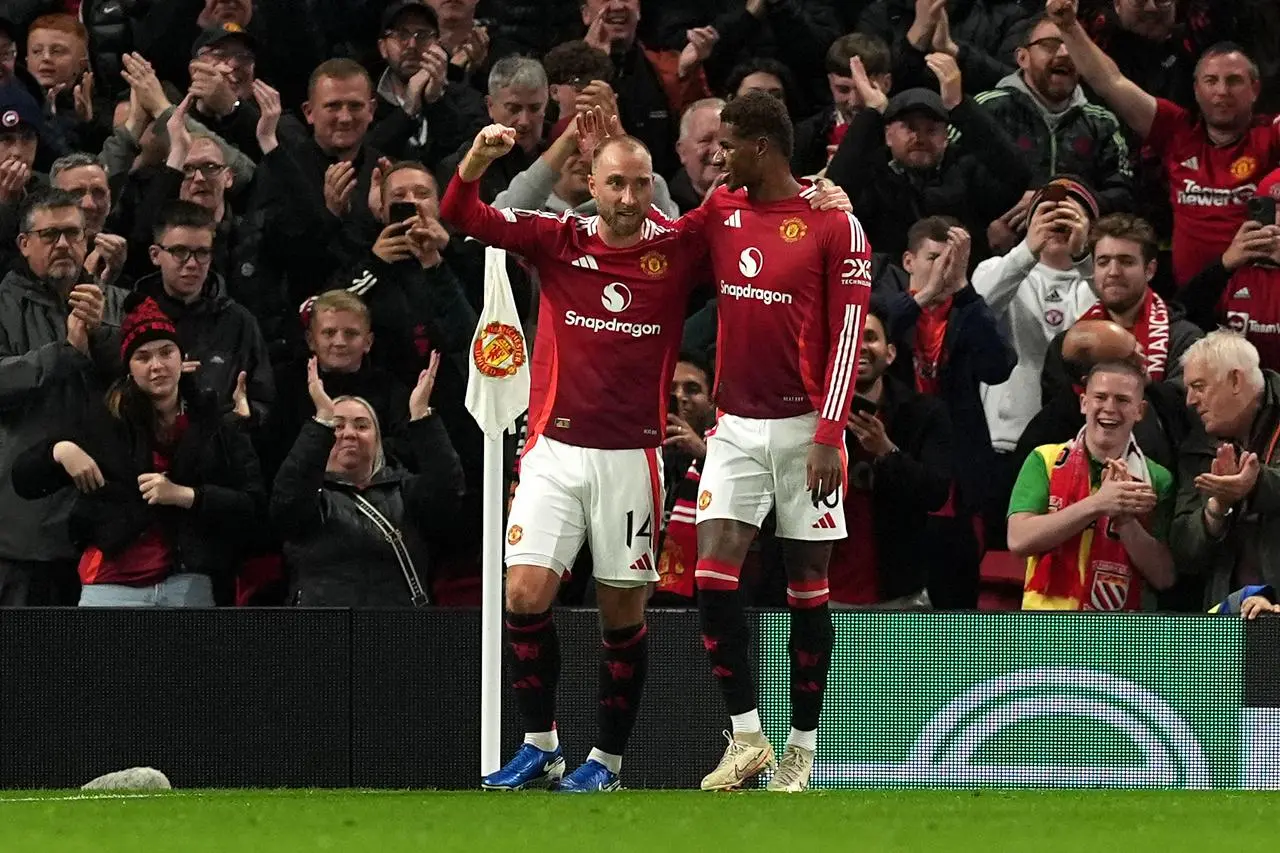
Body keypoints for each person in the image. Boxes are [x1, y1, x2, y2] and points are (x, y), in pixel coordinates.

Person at [440, 114, 706, 793]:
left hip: (632, 457)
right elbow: (462, 214)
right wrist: (477, 156)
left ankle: (608, 763)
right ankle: (541, 743)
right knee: (524, 595)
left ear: (654, 187)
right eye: (614, 183)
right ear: (590, 183)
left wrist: (824, 198)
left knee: (623, 614)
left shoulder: (678, 246)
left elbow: (748, 228)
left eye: (640, 184)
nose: (626, 197)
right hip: (553, 448)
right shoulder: (558, 239)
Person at [685, 91, 871, 792]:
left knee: (807, 590)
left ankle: (803, 747)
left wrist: (829, 432)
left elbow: (850, 334)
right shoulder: (720, 211)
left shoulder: (834, 225)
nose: (716, 155)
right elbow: (667, 240)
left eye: (726, 144)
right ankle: (748, 737)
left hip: (806, 430)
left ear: (760, 147)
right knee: (711, 578)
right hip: (734, 424)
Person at [10, 295, 265, 607]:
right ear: (129, 368)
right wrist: (59, 450)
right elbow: (24, 479)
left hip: (189, 581)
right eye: (143, 357)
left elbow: (251, 505)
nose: (156, 365)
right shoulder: (105, 421)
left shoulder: (214, 420)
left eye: (165, 352)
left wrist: (187, 496)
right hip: (112, 582)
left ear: (180, 358)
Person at [1048, 0, 1280, 286]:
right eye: (1211, 81)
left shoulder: (1271, 134)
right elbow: (1110, 81)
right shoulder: (1176, 129)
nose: (1222, 91)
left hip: (1259, 297)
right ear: (1196, 89)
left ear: (1255, 88)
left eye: (1234, 80)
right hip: (1192, 300)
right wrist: (1068, 27)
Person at [0, 189, 128, 605]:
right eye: (50, 234)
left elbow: (137, 378)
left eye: (73, 234)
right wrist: (65, 354)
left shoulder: (114, 302)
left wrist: (103, 337)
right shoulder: (3, 303)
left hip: (105, 519)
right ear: (24, 243)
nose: (63, 245)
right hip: (24, 524)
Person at [882, 217, 1017, 609]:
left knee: (954, 600)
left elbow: (1000, 365)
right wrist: (922, 299)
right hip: (898, 463)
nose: (941, 268)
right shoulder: (887, 306)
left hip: (955, 474)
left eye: (951, 261)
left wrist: (962, 289)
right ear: (908, 261)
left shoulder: (968, 314)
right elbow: (867, 328)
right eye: (933, 258)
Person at [271, 353, 465, 607]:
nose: (349, 434)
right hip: (319, 631)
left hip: (397, 630)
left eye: (362, 426)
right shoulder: (310, 496)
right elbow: (286, 505)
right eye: (337, 426)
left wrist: (421, 417)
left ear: (378, 440)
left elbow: (448, 492)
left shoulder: (404, 490)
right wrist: (321, 420)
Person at [974, 178, 1099, 538]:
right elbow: (979, 308)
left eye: (1072, 215)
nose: (1057, 222)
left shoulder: (1098, 278)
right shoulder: (997, 268)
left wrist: (1085, 260)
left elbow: (1112, 316)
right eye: (1046, 213)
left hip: (1080, 444)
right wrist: (1027, 250)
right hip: (1005, 443)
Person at [826, 52, 1030, 260]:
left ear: (946, 137)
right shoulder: (872, 176)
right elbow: (835, 188)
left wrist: (960, 107)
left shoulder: (967, 173)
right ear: (888, 135)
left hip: (961, 285)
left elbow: (1018, 175)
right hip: (888, 286)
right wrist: (873, 112)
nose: (919, 137)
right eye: (910, 127)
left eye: (931, 129)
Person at [1007, 360, 1176, 610]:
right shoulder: (1045, 459)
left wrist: (1127, 522)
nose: (1109, 408)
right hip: (1045, 629)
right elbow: (1019, 540)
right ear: (1084, 402)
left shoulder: (1156, 477)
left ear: (1140, 411)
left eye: (1122, 400)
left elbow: (1164, 577)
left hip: (1119, 635)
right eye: (1100, 397)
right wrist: (1097, 504)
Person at [1037, 213, 1202, 468]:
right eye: (1103, 262)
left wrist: (1142, 383)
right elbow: (1054, 423)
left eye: (1126, 261)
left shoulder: (1185, 339)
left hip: (1162, 475)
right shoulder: (1068, 344)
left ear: (1150, 269)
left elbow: (1188, 414)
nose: (1113, 272)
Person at [829, 303, 952, 608]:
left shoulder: (924, 413)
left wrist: (887, 451)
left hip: (900, 594)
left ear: (891, 353)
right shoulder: (811, 416)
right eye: (850, 339)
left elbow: (936, 492)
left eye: (870, 337)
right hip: (823, 595)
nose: (860, 347)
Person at [976, 12, 1132, 242]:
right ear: (1022, 58)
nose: (1064, 53)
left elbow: (1123, 195)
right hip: (999, 254)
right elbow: (955, 186)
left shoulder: (1102, 122)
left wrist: (1066, 200)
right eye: (1049, 45)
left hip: (1078, 255)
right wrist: (982, 234)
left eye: (1071, 44)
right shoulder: (988, 109)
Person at [1172, 332, 1280, 609]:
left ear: (1235, 380)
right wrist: (1216, 508)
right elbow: (1184, 552)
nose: (1190, 401)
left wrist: (1255, 485)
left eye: (1199, 386)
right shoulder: (1197, 446)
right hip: (1228, 615)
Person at [1178, 171, 1280, 369]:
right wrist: (1223, 265)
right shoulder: (1233, 269)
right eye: (1270, 209)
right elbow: (1182, 317)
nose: (1277, 221)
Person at [367, 0, 487, 165]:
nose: (412, 45)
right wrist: (407, 111)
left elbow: (467, 159)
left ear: (437, 45)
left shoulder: (464, 94)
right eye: (402, 34)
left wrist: (436, 101)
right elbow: (366, 156)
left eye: (422, 35)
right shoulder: (365, 98)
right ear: (383, 47)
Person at [653, 350, 717, 605]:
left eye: (692, 389)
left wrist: (704, 456)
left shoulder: (728, 451)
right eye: (672, 389)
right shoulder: (638, 450)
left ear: (712, 401)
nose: (680, 397)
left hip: (701, 579)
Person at [670, 98, 724, 212]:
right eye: (706, 140)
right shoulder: (665, 209)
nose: (717, 149)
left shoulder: (761, 196)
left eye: (725, 141)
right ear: (682, 151)